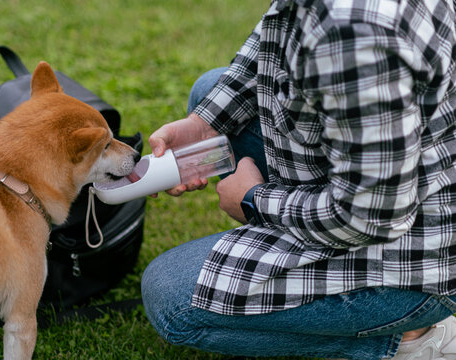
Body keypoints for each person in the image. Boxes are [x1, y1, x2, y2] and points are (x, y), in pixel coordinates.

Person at [141, 1, 456, 359]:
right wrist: (205, 122)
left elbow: (371, 216)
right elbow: (271, 39)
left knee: (169, 296)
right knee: (210, 91)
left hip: (417, 251)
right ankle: (291, 248)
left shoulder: (356, 35)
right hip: (392, 176)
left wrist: (254, 200)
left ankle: (407, 339)